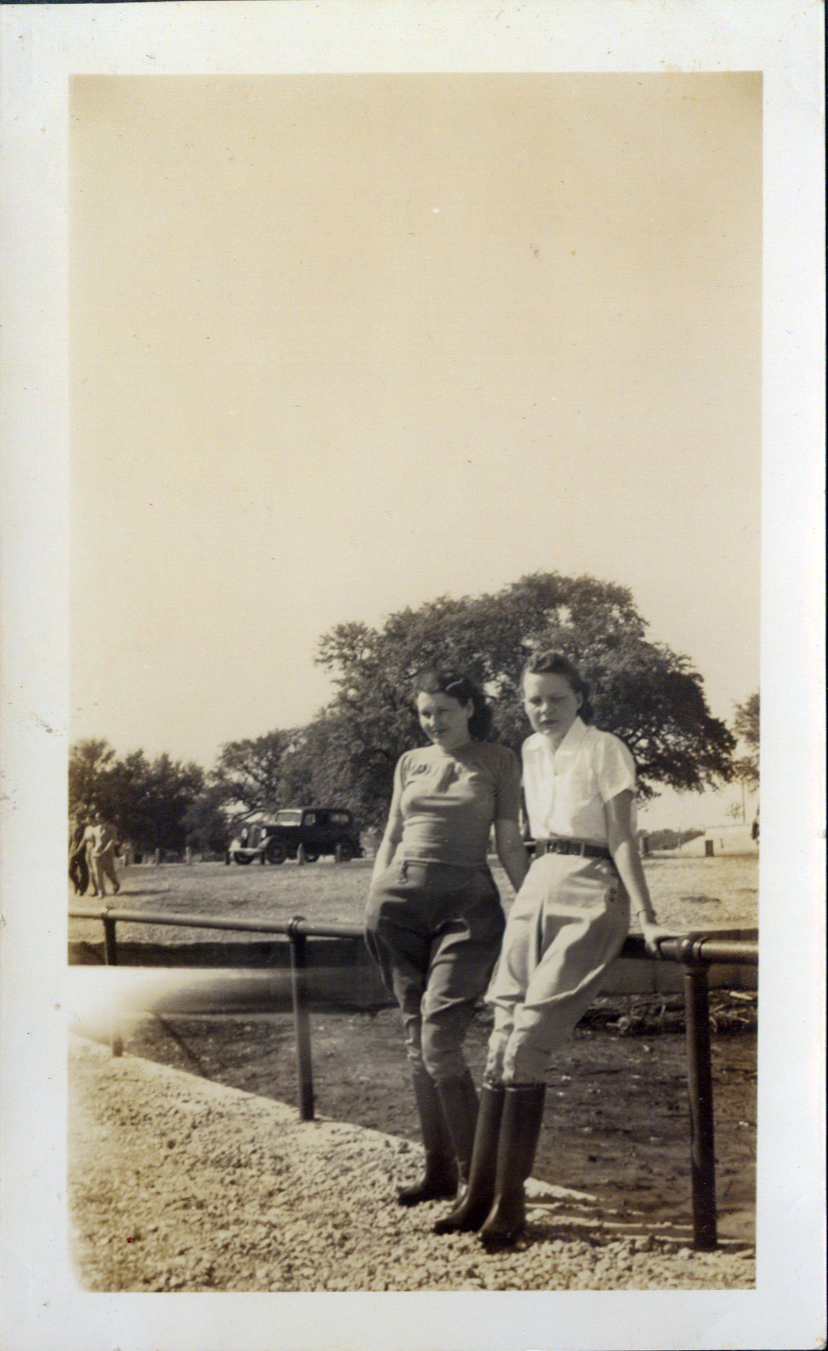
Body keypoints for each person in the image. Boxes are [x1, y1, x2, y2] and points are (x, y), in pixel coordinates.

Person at [434, 651, 676, 1250]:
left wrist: (646, 915)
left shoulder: (606, 749)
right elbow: (520, 838)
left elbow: (622, 837)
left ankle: (511, 1206)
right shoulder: (530, 753)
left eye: (557, 699)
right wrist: (525, 901)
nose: (545, 710)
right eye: (534, 699)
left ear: (580, 699)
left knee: (528, 1041)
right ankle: (479, 1195)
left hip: (592, 889)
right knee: (497, 1039)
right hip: (539, 883)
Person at [365, 667, 529, 1209]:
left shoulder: (499, 759)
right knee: (416, 1043)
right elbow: (391, 833)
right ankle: (438, 1173)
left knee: (440, 1041)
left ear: (470, 710)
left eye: (445, 712)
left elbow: (508, 844)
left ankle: (479, 1182)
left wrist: (533, 908)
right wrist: (375, 897)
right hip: (398, 906)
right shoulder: (409, 762)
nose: (433, 722)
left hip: (467, 907)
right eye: (425, 713)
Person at [88, 808, 121, 897]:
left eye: (98, 817)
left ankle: (115, 883)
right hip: (96, 854)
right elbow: (94, 842)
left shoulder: (111, 828)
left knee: (109, 872)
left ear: (103, 818)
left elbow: (112, 840)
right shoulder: (95, 829)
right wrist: (93, 851)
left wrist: (105, 850)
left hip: (107, 853)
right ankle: (101, 892)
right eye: (95, 817)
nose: (96, 819)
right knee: (97, 874)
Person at [68, 810, 91, 895]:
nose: (76, 819)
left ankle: (82, 889)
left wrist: (79, 849)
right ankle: (77, 884)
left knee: (83, 870)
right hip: (73, 850)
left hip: (82, 850)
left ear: (81, 818)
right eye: (74, 818)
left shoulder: (85, 827)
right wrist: (68, 848)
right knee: (70, 871)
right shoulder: (73, 827)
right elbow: (71, 838)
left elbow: (84, 839)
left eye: (77, 818)